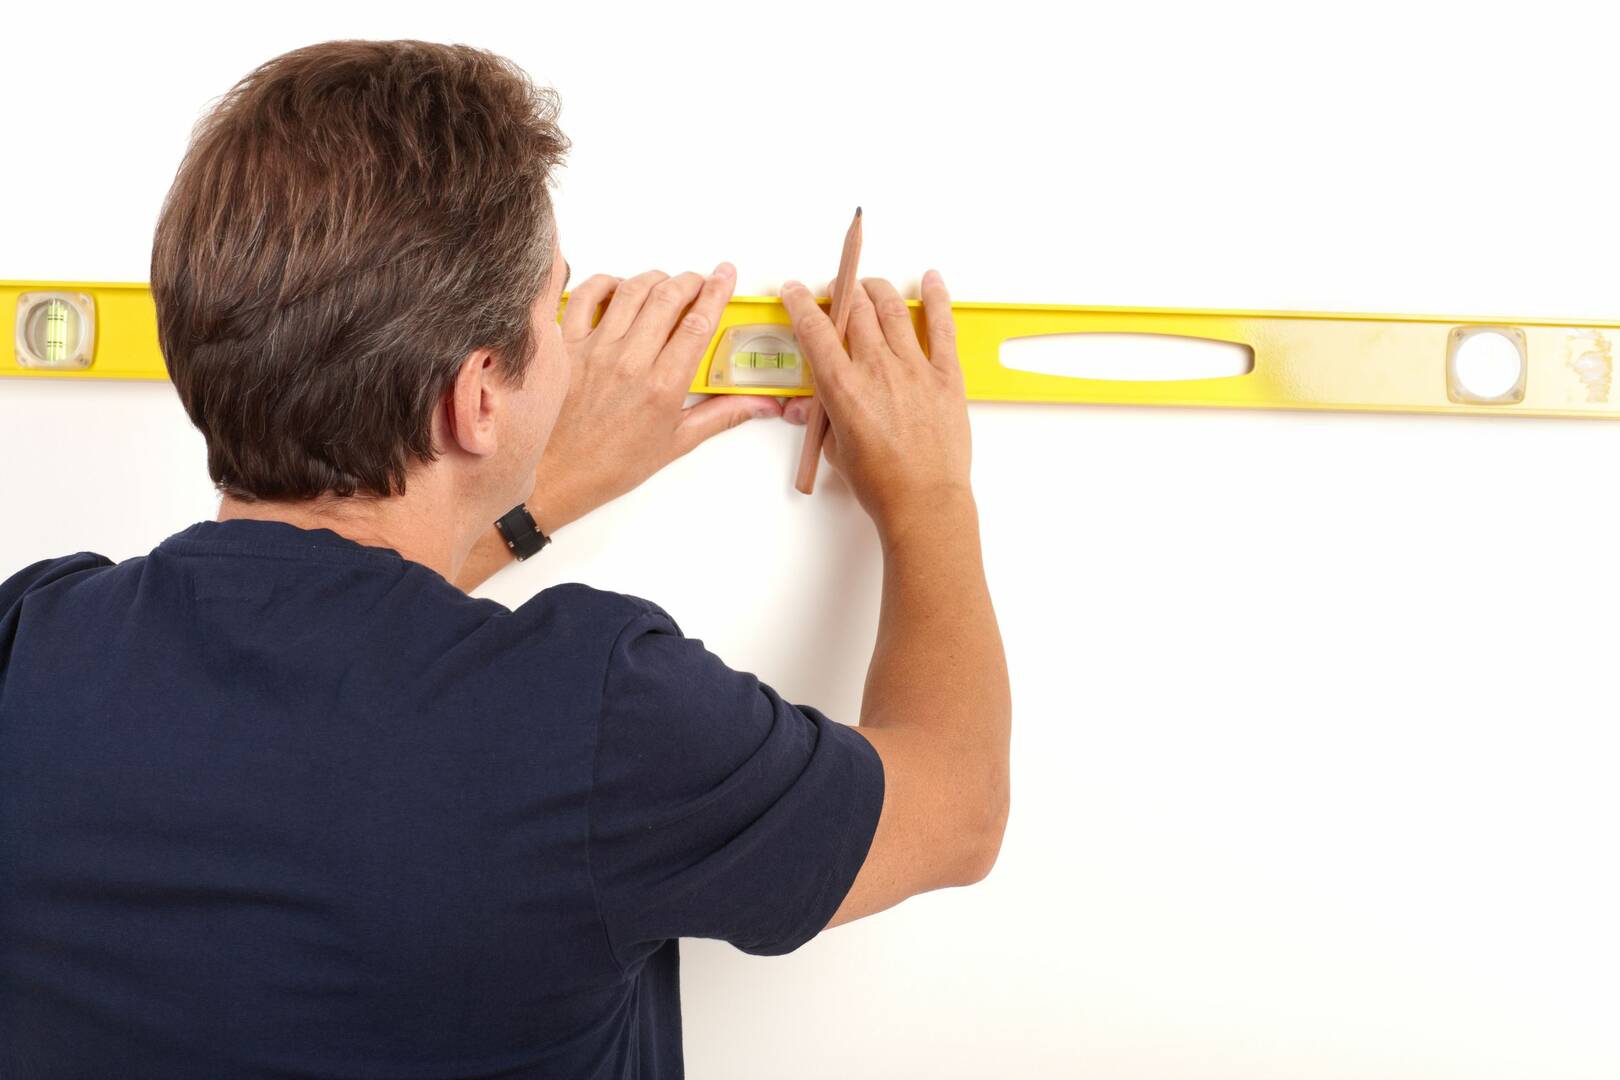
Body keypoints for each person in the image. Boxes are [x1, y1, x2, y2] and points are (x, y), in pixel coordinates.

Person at [0, 39, 1010, 1079]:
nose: (565, 342)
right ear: (477, 398)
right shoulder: (602, 717)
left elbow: (323, 666)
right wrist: (928, 490)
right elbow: (959, 809)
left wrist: (522, 500)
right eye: (553, 305)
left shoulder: (31, 646)